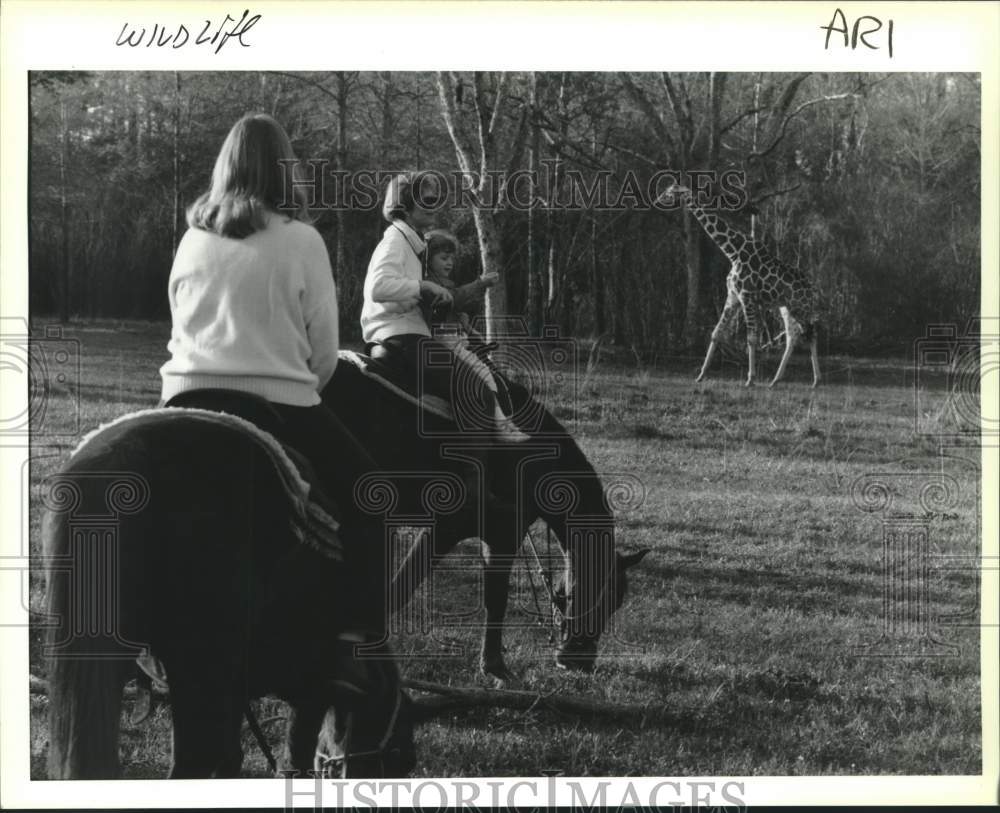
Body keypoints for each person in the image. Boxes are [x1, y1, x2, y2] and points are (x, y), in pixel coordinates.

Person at [158, 113, 384, 693]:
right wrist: (295, 375)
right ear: (287, 169)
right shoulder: (302, 238)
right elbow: (325, 354)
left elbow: (180, 323)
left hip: (180, 400)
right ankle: (354, 645)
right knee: (372, 496)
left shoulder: (193, 237)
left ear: (224, 166)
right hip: (274, 401)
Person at [360, 172, 526, 442]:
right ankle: (474, 477)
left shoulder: (410, 243)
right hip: (402, 337)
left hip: (409, 334)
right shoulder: (395, 242)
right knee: (475, 389)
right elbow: (377, 288)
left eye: (437, 199)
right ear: (405, 204)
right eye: (427, 199)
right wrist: (424, 287)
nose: (435, 205)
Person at [419, 229, 528, 441]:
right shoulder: (429, 285)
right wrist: (481, 284)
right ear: (428, 259)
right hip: (445, 341)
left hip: (457, 339)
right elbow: (453, 300)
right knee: (483, 375)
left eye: (452, 258)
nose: (449, 263)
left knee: (486, 373)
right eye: (443, 258)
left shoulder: (444, 284)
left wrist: (470, 329)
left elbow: (455, 310)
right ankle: (501, 426)